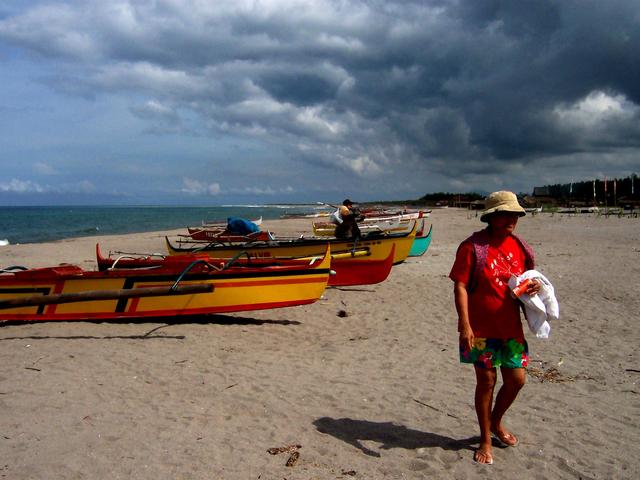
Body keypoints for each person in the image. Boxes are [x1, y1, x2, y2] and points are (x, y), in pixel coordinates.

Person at [449, 191, 540, 465]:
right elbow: (461, 285)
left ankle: (496, 422)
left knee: (516, 380)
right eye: (506, 213)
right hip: (479, 330)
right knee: (486, 382)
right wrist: (464, 325)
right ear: (492, 216)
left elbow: (526, 281)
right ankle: (485, 438)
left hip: (511, 328)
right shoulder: (473, 246)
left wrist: (533, 286)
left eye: (515, 214)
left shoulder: (520, 247)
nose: (513, 218)